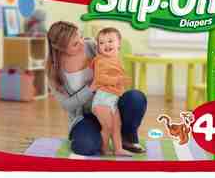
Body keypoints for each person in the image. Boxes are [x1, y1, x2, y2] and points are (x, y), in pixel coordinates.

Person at [45, 21, 147, 156]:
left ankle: (126, 137)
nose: (82, 43)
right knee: (85, 146)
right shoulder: (53, 70)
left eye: (81, 37)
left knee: (136, 98)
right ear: (61, 48)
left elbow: (112, 63)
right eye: (75, 44)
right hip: (86, 116)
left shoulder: (92, 46)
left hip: (111, 103)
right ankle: (97, 135)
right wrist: (91, 87)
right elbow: (67, 105)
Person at [89, 27, 133, 156]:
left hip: (113, 99)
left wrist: (122, 83)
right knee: (107, 126)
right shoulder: (100, 60)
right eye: (101, 43)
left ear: (119, 44)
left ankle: (118, 149)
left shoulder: (117, 60)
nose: (106, 45)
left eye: (110, 41)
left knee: (116, 126)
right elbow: (100, 78)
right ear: (98, 47)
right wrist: (118, 80)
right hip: (102, 99)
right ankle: (103, 148)